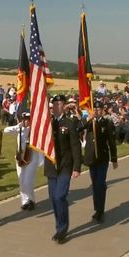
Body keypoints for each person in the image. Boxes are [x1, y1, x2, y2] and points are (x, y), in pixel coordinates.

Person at [45, 95, 82, 244]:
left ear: (64, 106)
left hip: (65, 166)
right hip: (51, 167)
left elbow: (75, 146)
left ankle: (62, 230)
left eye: (60, 104)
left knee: (60, 196)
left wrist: (77, 167)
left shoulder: (70, 123)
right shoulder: (47, 124)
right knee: (54, 199)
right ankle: (59, 226)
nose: (57, 106)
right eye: (55, 104)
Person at [80, 101, 118, 223]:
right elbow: (78, 129)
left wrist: (114, 158)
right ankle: (97, 208)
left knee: (100, 184)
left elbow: (111, 142)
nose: (96, 111)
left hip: (102, 158)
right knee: (95, 185)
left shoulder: (107, 123)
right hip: (92, 159)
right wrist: (88, 120)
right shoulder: (89, 122)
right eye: (94, 109)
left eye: (99, 109)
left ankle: (100, 211)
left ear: (103, 110)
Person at [4, 112, 44, 210]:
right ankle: (24, 201)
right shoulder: (19, 129)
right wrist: (18, 127)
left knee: (28, 180)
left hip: (32, 157)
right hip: (20, 157)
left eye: (28, 119)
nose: (26, 121)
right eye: (24, 119)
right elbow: (6, 131)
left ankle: (31, 200)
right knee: (21, 179)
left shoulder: (35, 130)